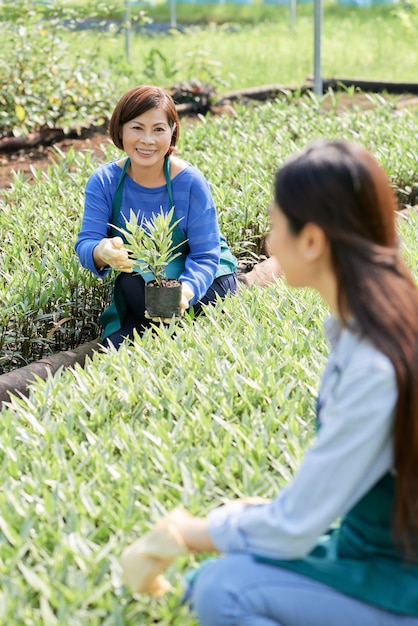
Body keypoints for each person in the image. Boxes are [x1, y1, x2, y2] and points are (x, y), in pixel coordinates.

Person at [120, 139, 418, 625]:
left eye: (276, 224)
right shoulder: (378, 323)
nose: (269, 244)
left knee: (222, 590)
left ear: (313, 240)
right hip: (377, 553)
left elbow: (295, 525)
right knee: (210, 581)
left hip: (402, 583)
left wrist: (181, 533)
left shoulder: (372, 363)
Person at [75, 85, 237, 349]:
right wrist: (100, 251)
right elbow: (86, 242)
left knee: (142, 296)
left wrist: (185, 290)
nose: (147, 140)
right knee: (131, 287)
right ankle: (158, 336)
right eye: (137, 128)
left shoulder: (190, 182)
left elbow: (206, 256)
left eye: (158, 129)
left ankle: (164, 338)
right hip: (146, 284)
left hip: (205, 281)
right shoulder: (104, 182)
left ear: (172, 132)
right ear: (120, 130)